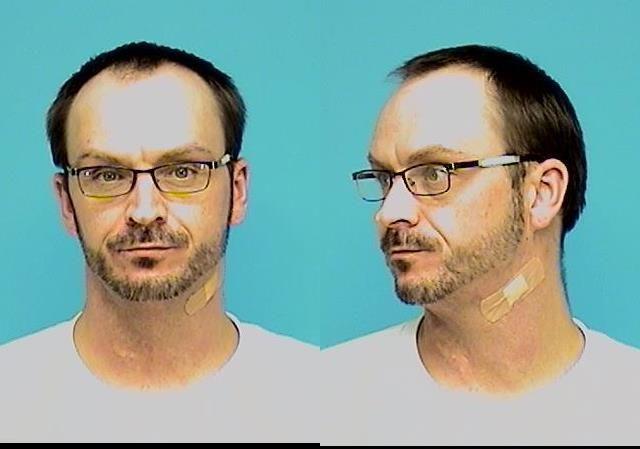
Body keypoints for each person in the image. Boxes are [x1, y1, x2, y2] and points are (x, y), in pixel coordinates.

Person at [324, 44, 640, 445]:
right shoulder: (328, 399)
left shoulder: (628, 406)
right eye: (385, 178)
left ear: (541, 193)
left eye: (435, 173)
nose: (390, 212)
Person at [0, 41, 315, 442]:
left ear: (237, 191)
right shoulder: (9, 399)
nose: (145, 211)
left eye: (183, 171)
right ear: (66, 202)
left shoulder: (315, 398)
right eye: (106, 175)